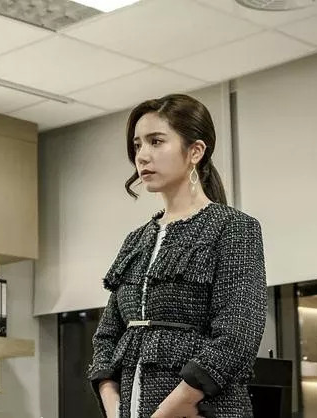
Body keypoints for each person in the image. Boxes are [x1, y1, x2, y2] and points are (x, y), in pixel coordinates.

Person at [87, 94, 266, 418]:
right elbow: (107, 337)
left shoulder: (233, 228)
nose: (142, 156)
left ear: (195, 151)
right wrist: (114, 407)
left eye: (156, 142)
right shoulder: (135, 240)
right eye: (137, 145)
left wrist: (170, 409)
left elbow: (237, 334)